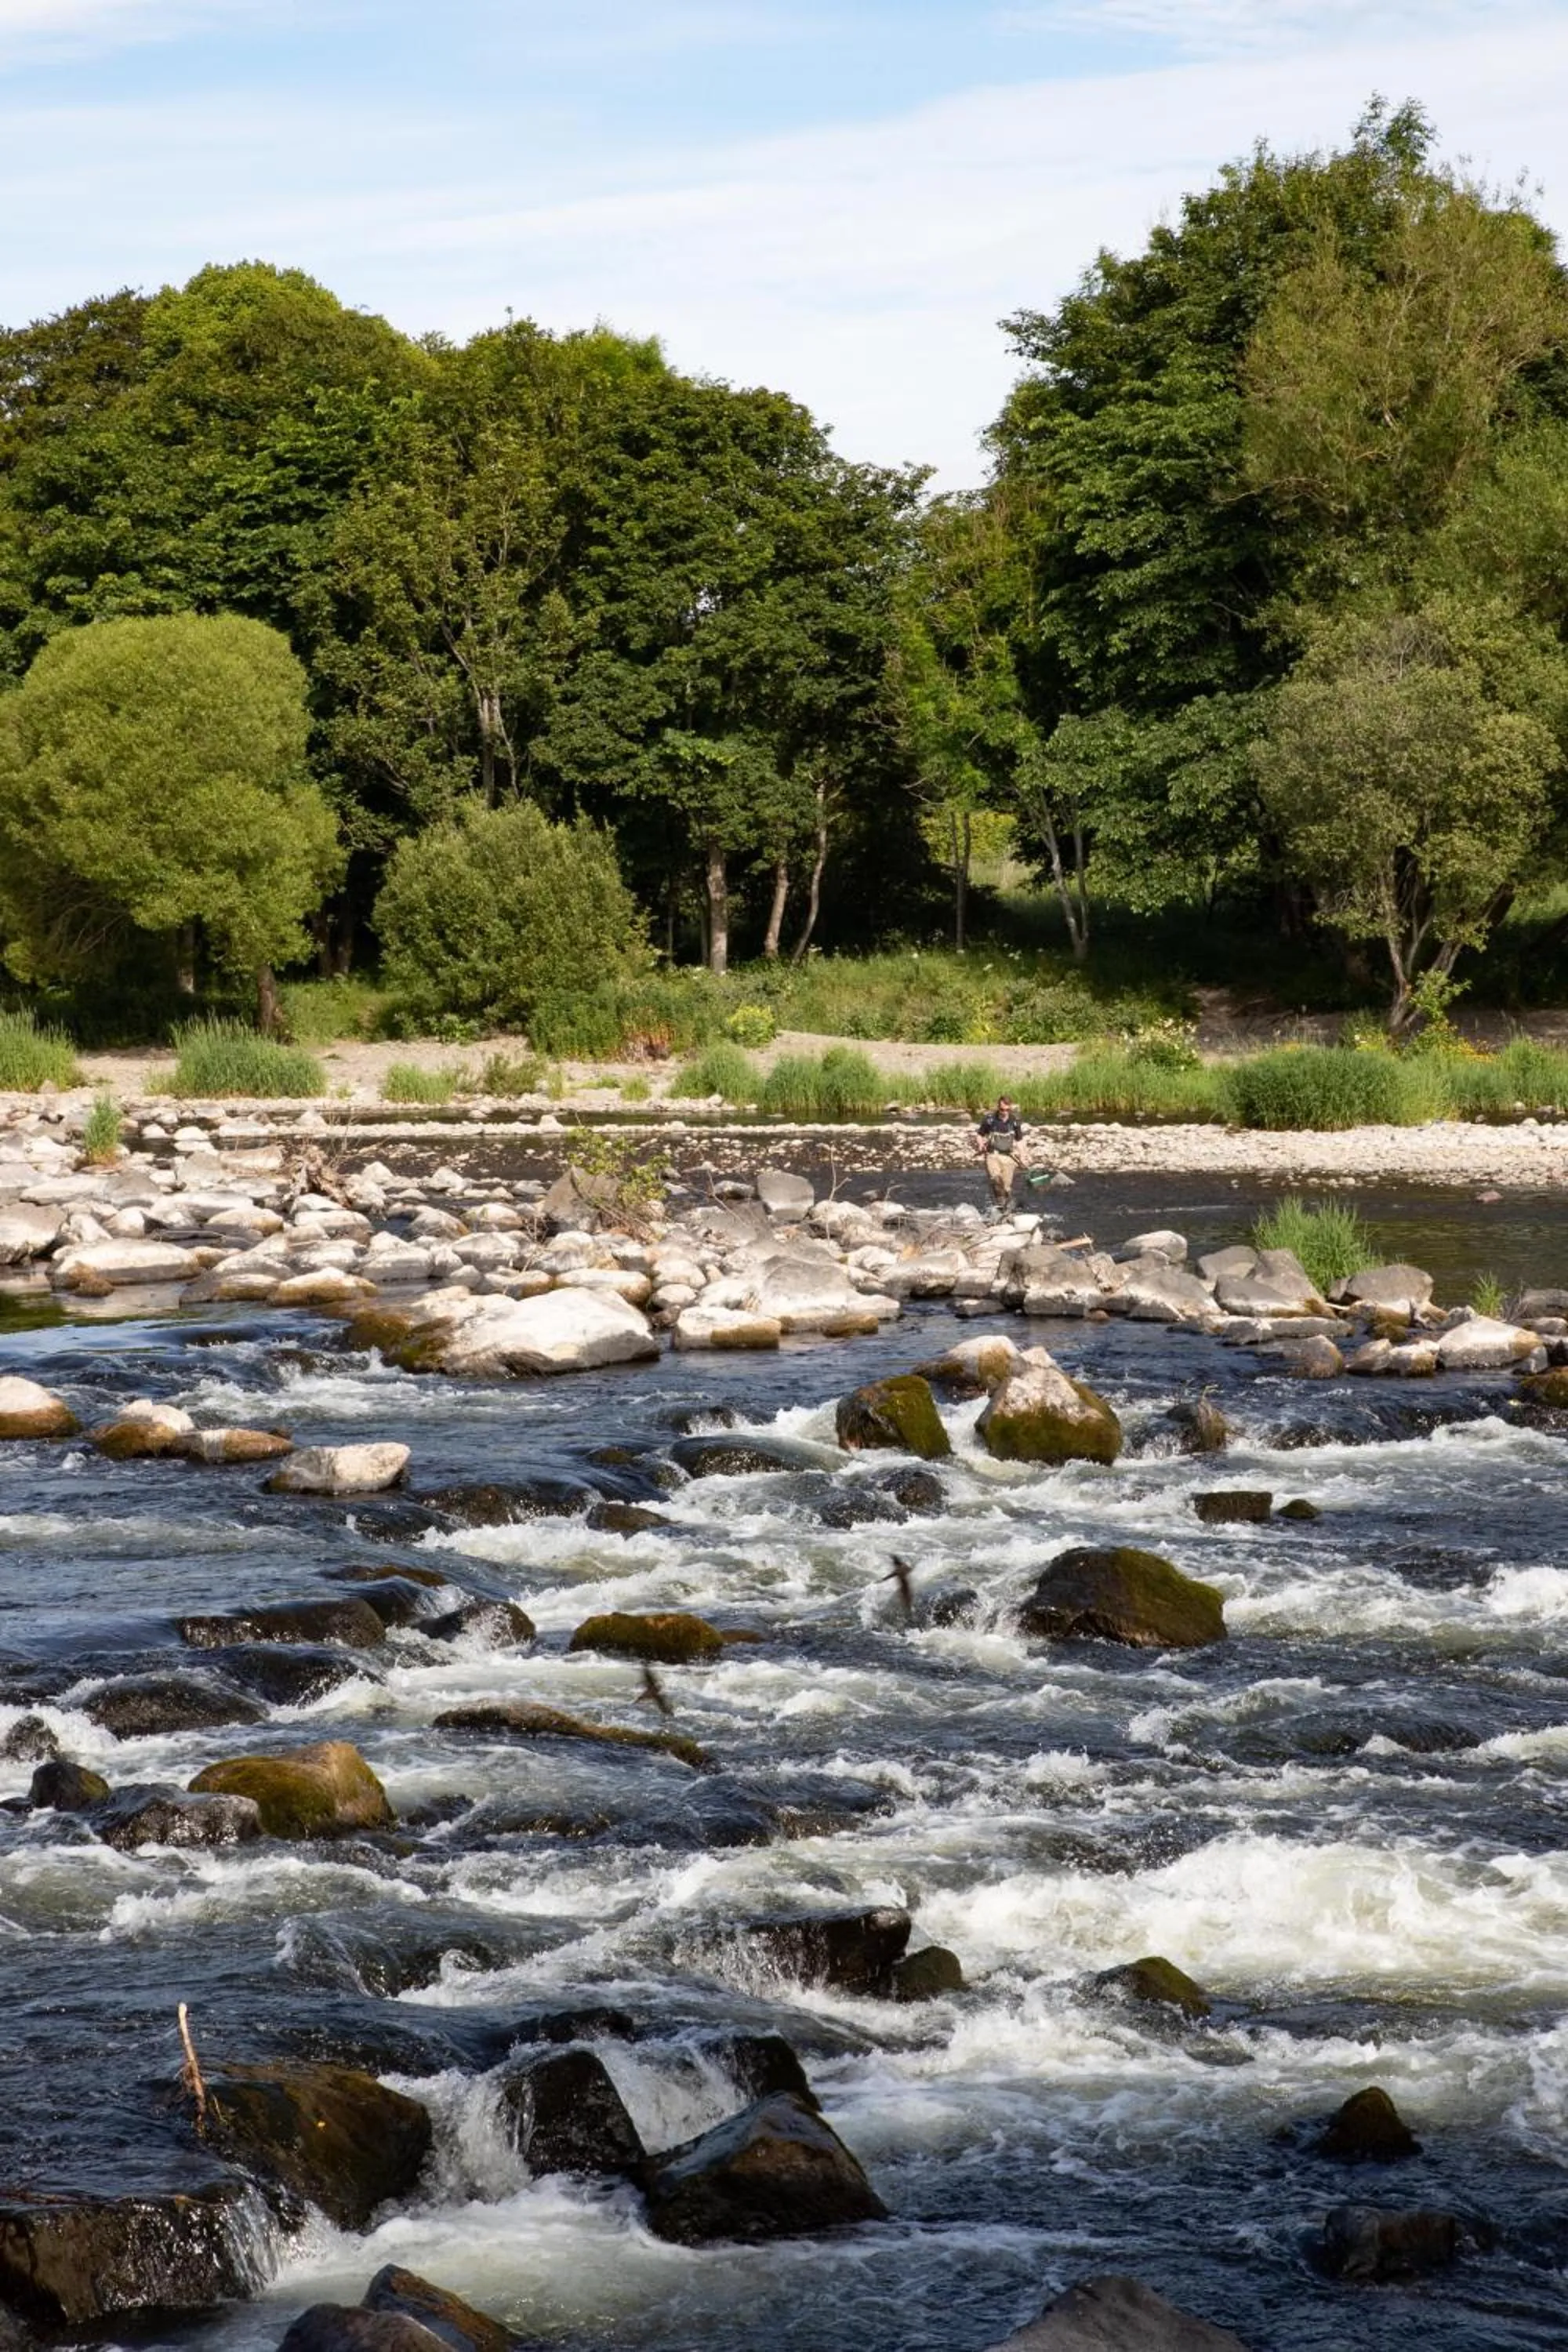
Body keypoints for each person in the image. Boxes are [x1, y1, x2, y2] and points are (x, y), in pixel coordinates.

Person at [974, 1094, 1026, 1213]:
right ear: (998, 1107)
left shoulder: (1015, 1121)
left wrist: (1023, 1156)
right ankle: (1000, 1210)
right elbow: (980, 1135)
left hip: (1009, 1157)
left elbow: (1019, 1140)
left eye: (1007, 1110)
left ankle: (1008, 1210)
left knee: (1006, 1188)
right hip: (993, 1155)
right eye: (1002, 1110)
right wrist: (981, 1144)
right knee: (996, 1181)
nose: (1005, 1112)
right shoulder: (990, 1120)